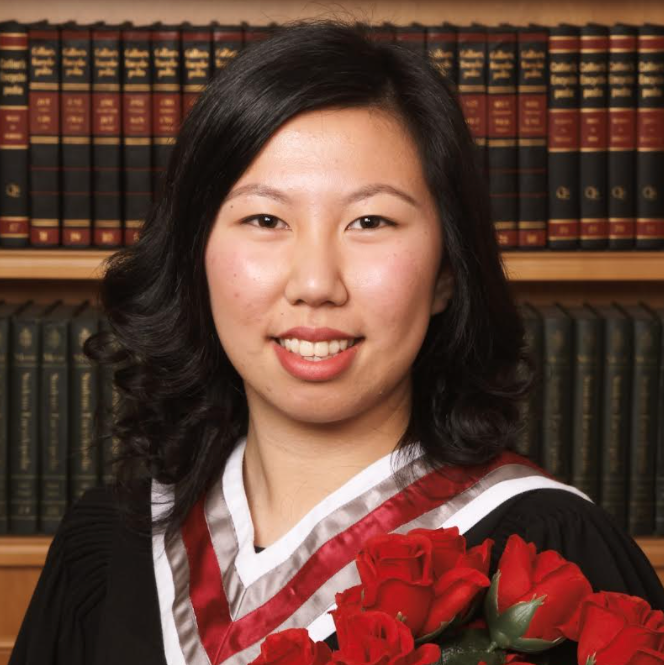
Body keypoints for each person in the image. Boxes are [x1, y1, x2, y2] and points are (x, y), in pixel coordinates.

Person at [9, 18, 664, 665]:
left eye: (370, 220)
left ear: (445, 272)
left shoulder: (553, 561)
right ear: (194, 257)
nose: (316, 283)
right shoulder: (111, 552)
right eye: (265, 219)